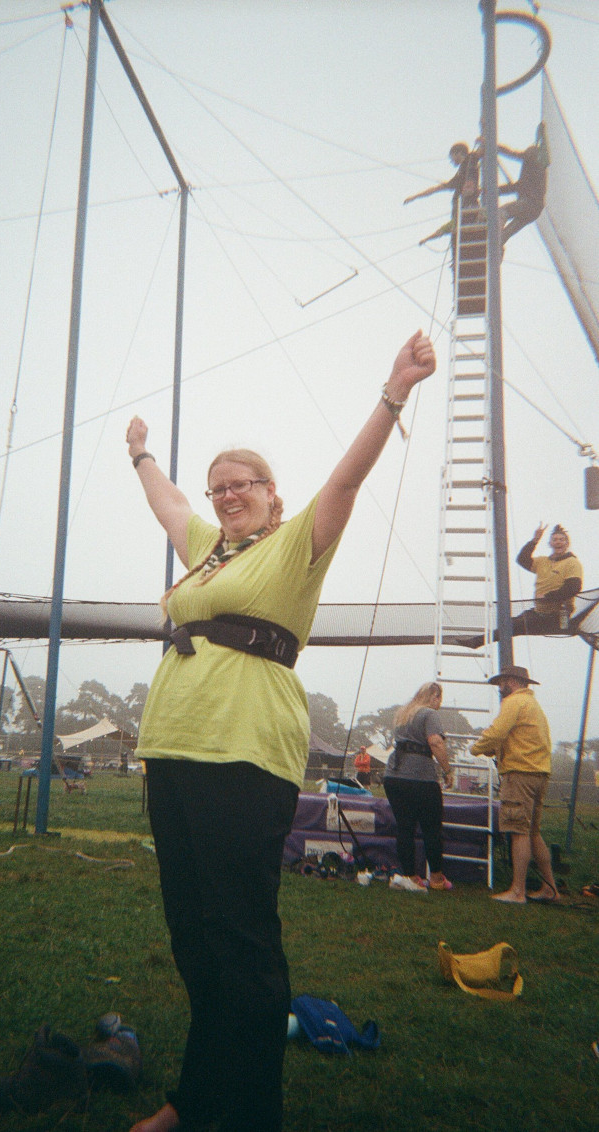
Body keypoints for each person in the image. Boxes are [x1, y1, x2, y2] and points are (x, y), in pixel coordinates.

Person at [125, 330, 436, 1132]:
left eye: (244, 484)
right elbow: (170, 506)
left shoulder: (295, 546)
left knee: (241, 940)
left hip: (244, 756)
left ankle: (249, 1110)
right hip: (173, 751)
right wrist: (141, 458)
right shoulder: (202, 556)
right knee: (194, 937)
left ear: (272, 494)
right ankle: (196, 1101)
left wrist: (393, 393)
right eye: (219, 486)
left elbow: (345, 478)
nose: (228, 495)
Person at [469, 665, 559, 904]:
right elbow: (511, 737)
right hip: (539, 773)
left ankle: (517, 891)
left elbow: (496, 732)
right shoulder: (533, 706)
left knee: (518, 831)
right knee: (533, 832)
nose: (500, 688)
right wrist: (493, 748)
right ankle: (550, 888)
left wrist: (475, 748)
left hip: (519, 774)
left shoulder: (512, 702)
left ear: (512, 681)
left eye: (502, 682)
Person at [459, 523, 583, 649]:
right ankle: (477, 642)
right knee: (509, 623)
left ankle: (476, 642)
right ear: (550, 543)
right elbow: (522, 559)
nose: (558, 542)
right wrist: (534, 540)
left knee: (513, 626)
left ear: (567, 543)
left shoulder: (572, 563)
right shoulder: (543, 561)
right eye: (555, 540)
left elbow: (573, 588)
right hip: (539, 612)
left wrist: (547, 596)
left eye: (562, 540)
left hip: (557, 616)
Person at [383, 682, 454, 895]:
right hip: (420, 778)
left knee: (404, 827)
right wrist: (447, 770)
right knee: (431, 828)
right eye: (439, 699)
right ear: (433, 697)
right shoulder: (429, 714)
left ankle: (411, 877)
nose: (439, 704)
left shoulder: (402, 715)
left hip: (394, 777)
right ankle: (436, 878)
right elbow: (435, 742)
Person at [404, 140, 481, 245]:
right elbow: (437, 188)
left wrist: (483, 139)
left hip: (466, 210)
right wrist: (415, 197)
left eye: (452, 157)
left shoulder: (470, 160)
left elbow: (437, 189)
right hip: (463, 213)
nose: (451, 161)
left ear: (458, 153)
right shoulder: (460, 174)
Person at [498, 124, 549, 246]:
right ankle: (497, 246)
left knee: (501, 212)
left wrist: (494, 147)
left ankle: (495, 240)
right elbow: (517, 186)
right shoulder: (537, 171)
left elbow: (514, 154)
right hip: (535, 209)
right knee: (505, 235)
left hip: (528, 204)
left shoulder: (534, 164)